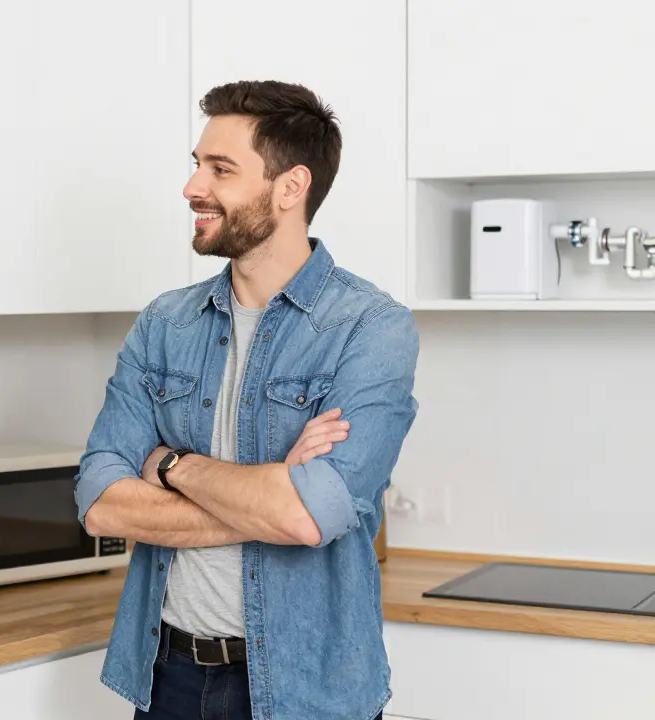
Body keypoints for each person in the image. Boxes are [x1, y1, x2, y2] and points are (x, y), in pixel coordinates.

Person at [75, 80, 419, 720]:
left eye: (220, 169)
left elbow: (308, 520)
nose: (192, 188)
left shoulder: (370, 328)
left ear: (291, 187)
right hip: (169, 679)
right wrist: (278, 489)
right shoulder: (164, 324)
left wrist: (171, 466)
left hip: (309, 691)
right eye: (196, 165)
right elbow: (99, 504)